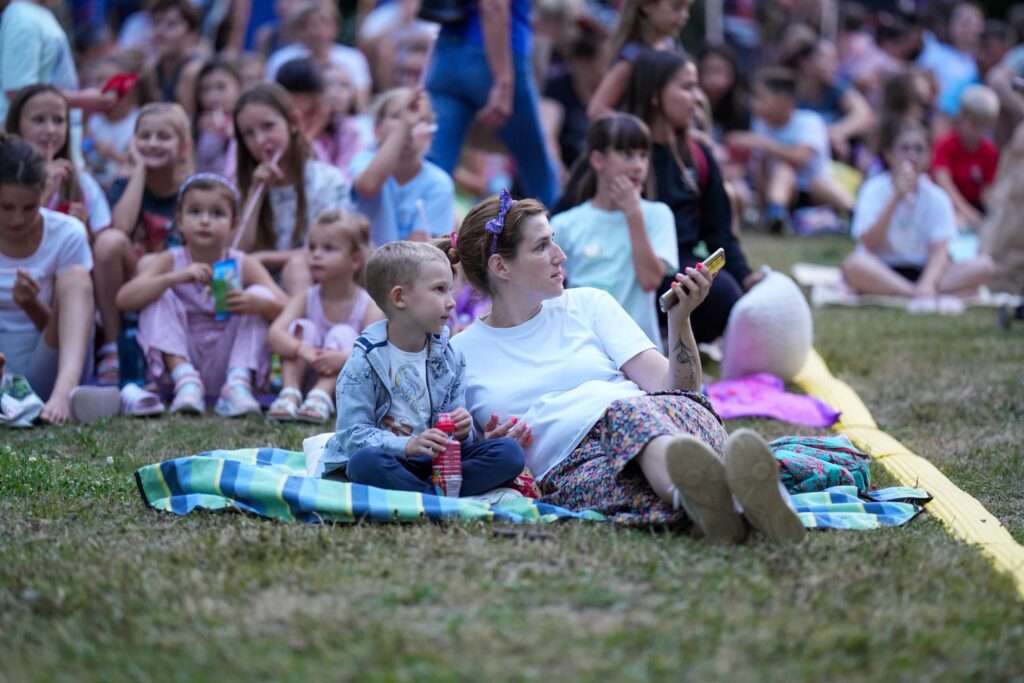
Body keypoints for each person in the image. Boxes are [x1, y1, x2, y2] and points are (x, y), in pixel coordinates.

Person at [446, 192, 803, 542]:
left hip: (666, 422)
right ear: (500, 267)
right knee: (630, 491)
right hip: (572, 468)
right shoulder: (459, 354)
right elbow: (457, 452)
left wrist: (680, 320)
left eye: (553, 240)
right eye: (542, 246)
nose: (560, 255)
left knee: (625, 414)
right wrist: (492, 447)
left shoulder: (590, 304)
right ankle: (736, 504)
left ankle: (707, 498)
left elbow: (679, 391)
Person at [319, 240, 526, 496]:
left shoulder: (450, 356)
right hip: (393, 460)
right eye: (439, 290)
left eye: (450, 290)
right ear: (399, 297)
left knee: (509, 453)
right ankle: (439, 494)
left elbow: (455, 437)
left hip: (438, 462)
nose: (451, 302)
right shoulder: (364, 361)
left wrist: (463, 431)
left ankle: (422, 493)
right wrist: (408, 445)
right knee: (363, 464)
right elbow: (352, 434)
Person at [115, 173, 287, 416]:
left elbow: (287, 307)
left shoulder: (243, 263)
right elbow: (124, 299)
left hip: (230, 362)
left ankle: (237, 386)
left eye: (217, 214)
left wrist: (257, 303)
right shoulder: (171, 260)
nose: (205, 221)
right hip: (182, 361)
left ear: (234, 224)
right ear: (180, 221)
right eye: (195, 212)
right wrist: (175, 277)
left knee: (261, 294)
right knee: (157, 292)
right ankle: (186, 382)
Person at [620, 50, 759, 344]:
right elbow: (571, 213)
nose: (697, 98)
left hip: (677, 267)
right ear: (655, 95)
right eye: (687, 87)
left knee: (724, 294)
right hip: (619, 266)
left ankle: (668, 333)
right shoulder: (615, 153)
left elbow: (719, 232)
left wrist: (747, 278)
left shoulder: (698, 155)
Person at [0, 134, 118, 424]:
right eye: (6, 207)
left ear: (44, 192)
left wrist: (31, 305)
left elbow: (62, 328)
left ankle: (65, 395)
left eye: (28, 207)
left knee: (77, 277)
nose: (17, 219)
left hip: (55, 361)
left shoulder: (66, 233)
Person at [842, 118, 994, 313]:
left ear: (929, 156)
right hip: (883, 269)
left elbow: (939, 251)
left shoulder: (937, 197)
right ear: (889, 154)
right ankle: (914, 292)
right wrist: (895, 199)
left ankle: (915, 291)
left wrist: (927, 282)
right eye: (905, 149)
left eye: (919, 149)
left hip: (926, 270)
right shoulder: (872, 189)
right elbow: (868, 244)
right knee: (854, 264)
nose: (912, 155)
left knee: (984, 265)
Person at [551, 113, 677, 348]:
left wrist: (633, 213)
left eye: (643, 155)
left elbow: (650, 280)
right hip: (583, 345)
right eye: (627, 155)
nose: (638, 166)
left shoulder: (658, 215)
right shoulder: (565, 224)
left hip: (640, 348)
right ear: (598, 159)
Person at [93, 102, 193, 385]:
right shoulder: (124, 186)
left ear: (184, 147)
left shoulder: (192, 190)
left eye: (164, 137)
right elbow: (121, 228)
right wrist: (138, 169)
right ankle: (113, 347)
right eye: (145, 136)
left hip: (177, 284)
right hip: (131, 286)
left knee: (151, 262)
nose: (153, 143)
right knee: (109, 242)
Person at [424, 0, 560, 207]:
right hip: (493, 56)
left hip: (447, 51)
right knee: (540, 175)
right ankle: (554, 226)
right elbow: (493, 5)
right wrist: (503, 81)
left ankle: (416, 228)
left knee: (434, 173)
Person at [267, 209, 384, 423]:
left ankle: (321, 395)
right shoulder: (305, 297)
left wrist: (342, 358)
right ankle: (290, 393)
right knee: (301, 327)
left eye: (328, 248)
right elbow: (274, 334)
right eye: (312, 247)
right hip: (305, 374)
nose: (316, 255)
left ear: (355, 260)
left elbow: (377, 353)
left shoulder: (368, 305)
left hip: (344, 385)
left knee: (346, 334)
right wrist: (304, 350)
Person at [232, 83, 349, 292]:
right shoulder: (241, 188)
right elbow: (234, 257)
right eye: (248, 133)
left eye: (268, 126)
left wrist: (266, 258)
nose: (260, 140)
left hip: (315, 291)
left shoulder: (327, 180)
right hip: (260, 295)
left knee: (296, 267)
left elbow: (333, 246)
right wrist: (255, 194)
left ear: (294, 122)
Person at [725, 67, 854, 231]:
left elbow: (801, 158)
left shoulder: (810, 121)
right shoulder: (760, 125)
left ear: (783, 102)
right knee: (782, 170)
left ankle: (853, 212)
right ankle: (775, 215)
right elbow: (760, 167)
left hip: (815, 191)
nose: (753, 103)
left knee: (798, 174)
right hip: (778, 193)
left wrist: (760, 142)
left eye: (761, 98)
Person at [351, 87, 454, 246]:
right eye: (397, 116)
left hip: (406, 261)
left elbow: (416, 252)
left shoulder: (439, 182)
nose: (410, 121)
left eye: (420, 118)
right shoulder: (363, 161)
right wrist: (404, 127)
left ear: (429, 134)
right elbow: (368, 186)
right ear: (377, 131)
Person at [5, 86, 111, 236]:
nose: (51, 130)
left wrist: (82, 229)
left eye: (59, 120)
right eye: (39, 120)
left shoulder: (82, 182)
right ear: (17, 125)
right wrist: (44, 195)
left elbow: (104, 240)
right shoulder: (4, 180)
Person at [586, 0, 692, 119]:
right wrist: (635, 128)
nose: (685, 15)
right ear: (647, 5)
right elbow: (597, 109)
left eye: (687, 9)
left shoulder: (673, 47)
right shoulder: (633, 56)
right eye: (676, 7)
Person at [264, 0, 372, 111]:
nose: (317, 29)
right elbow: (272, 99)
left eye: (323, 22)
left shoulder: (353, 58)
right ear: (299, 30)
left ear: (336, 27)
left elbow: (361, 103)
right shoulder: (282, 59)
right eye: (309, 24)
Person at [789, 38, 876, 163]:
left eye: (834, 60)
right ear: (807, 63)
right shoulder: (792, 94)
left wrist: (836, 132)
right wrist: (820, 137)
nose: (833, 65)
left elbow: (864, 114)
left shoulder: (836, 87)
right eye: (826, 59)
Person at [930, 85, 1000, 229]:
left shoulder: (990, 151)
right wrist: (967, 212)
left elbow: (987, 191)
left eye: (984, 126)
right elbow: (944, 184)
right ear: (961, 119)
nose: (978, 131)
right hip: (947, 204)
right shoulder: (944, 145)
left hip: (974, 206)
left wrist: (993, 213)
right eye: (973, 124)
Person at [149, 0, 204, 117]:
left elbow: (187, 123)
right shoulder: (152, 67)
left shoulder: (192, 71)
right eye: (157, 22)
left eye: (171, 24)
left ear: (191, 33)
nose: (160, 32)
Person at [192, 58, 242, 177]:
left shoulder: (246, 123)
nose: (213, 96)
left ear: (239, 87)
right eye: (205, 89)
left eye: (221, 87)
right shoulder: (197, 126)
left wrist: (228, 133)